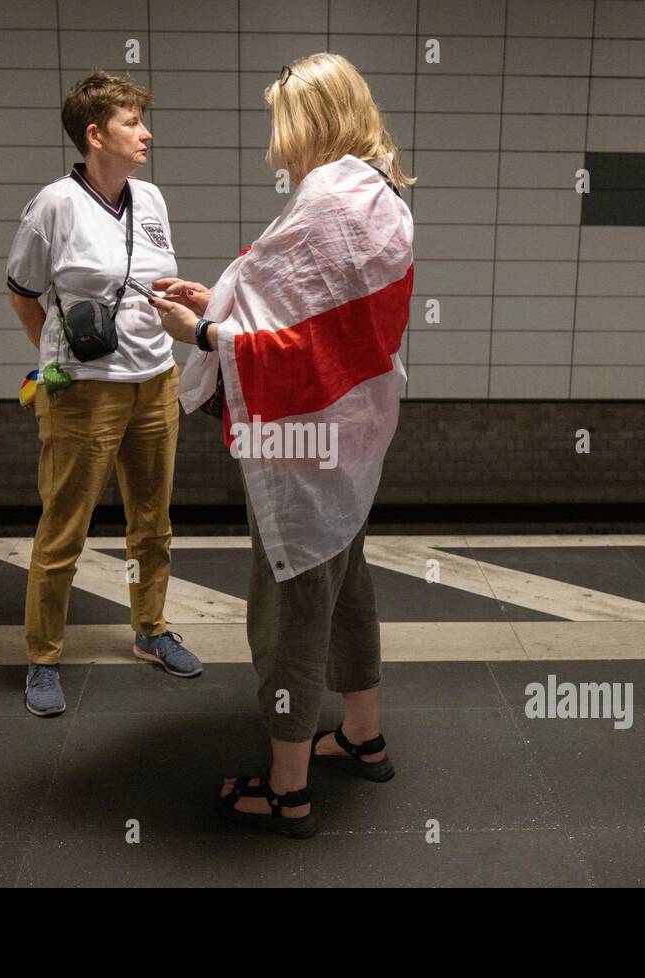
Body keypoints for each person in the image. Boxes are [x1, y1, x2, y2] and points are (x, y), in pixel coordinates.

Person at [150, 52, 414, 837]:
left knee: (289, 610)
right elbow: (313, 317)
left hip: (303, 446)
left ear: (309, 119)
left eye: (283, 122)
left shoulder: (327, 198)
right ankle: (363, 736)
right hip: (355, 436)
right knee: (347, 591)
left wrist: (199, 329)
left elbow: (292, 345)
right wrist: (220, 301)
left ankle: (288, 789)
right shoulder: (383, 192)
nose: (278, 143)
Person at [6, 70, 202, 719]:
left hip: (156, 381)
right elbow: (23, 292)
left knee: (153, 524)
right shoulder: (53, 206)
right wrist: (55, 357)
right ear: (95, 134)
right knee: (64, 528)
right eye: (131, 122)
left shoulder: (151, 199)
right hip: (85, 392)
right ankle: (43, 657)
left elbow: (154, 279)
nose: (145, 132)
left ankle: (149, 631)